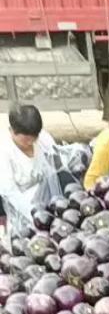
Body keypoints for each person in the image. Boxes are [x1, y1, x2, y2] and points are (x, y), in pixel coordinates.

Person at [0, 104, 66, 247]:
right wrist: (35, 215)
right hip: (22, 207)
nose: (31, 142)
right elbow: (10, 193)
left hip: (48, 200)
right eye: (25, 140)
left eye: (34, 138)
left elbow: (57, 164)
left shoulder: (43, 139)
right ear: (12, 131)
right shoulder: (4, 150)